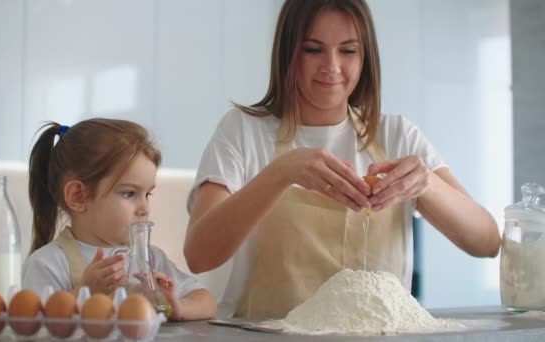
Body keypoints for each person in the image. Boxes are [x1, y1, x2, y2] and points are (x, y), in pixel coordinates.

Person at [184, 0, 501, 319]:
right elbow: (199, 255)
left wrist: (428, 184)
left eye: (348, 51)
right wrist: (279, 174)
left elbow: (486, 242)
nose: (331, 66)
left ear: (366, 58)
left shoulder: (397, 136)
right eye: (312, 50)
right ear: (287, 54)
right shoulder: (242, 131)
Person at [22, 118, 216, 321]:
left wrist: (177, 307)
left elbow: (207, 302)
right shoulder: (48, 263)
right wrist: (84, 293)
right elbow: (36, 328)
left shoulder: (151, 259)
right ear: (78, 196)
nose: (144, 208)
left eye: (147, 194)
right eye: (129, 194)